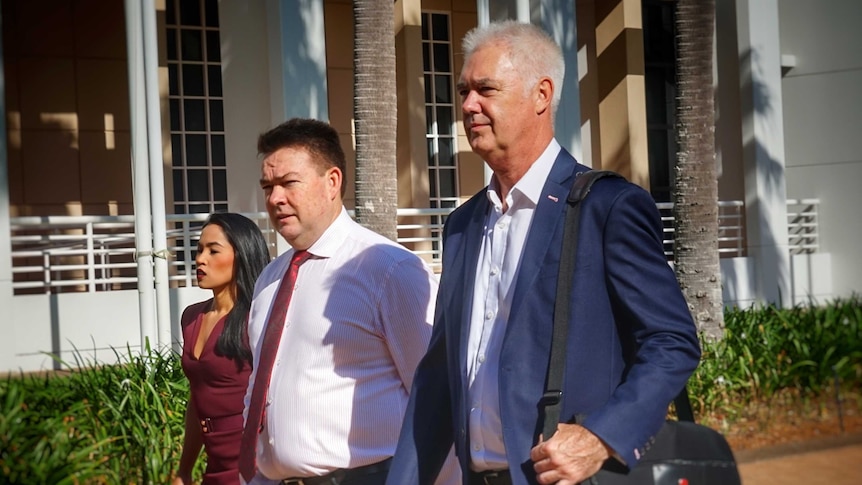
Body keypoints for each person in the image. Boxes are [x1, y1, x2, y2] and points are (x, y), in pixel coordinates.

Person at [387, 20, 702, 485]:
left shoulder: (605, 206)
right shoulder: (463, 225)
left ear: (541, 95)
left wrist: (600, 437)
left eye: (486, 89)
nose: (469, 105)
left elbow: (671, 342)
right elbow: (438, 379)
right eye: (464, 91)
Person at [239, 118, 451, 485]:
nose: (275, 199)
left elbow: (438, 397)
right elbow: (259, 388)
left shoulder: (388, 269)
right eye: (267, 186)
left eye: (289, 183)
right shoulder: (269, 279)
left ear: (332, 182)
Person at [174, 212, 272, 485]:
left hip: (256, 466)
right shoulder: (191, 318)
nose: (200, 259)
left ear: (241, 255)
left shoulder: (258, 317)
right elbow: (198, 399)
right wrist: (185, 469)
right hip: (213, 467)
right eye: (199, 250)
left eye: (213, 251)